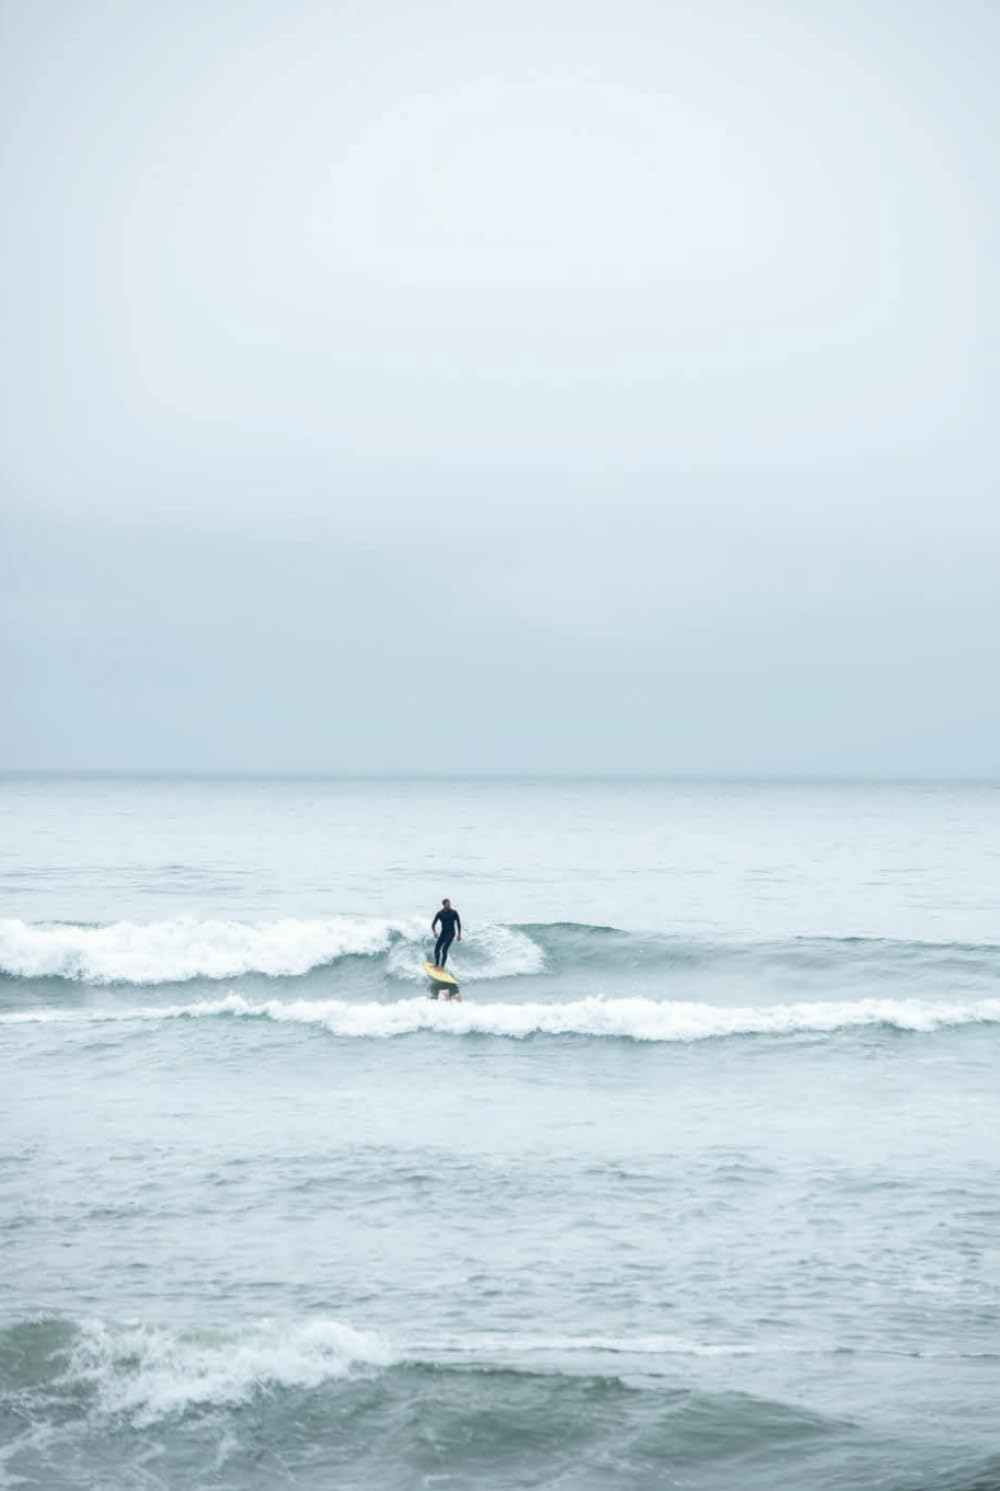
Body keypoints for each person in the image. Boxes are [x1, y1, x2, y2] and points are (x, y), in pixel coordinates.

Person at [432, 898, 462, 969]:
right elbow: (433, 924)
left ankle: (442, 967)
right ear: (443, 905)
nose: (449, 905)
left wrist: (459, 934)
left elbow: (458, 923)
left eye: (449, 903)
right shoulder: (440, 913)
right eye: (447, 904)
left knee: (444, 950)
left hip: (451, 933)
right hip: (443, 933)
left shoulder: (454, 912)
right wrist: (434, 932)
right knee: (436, 949)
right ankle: (436, 964)